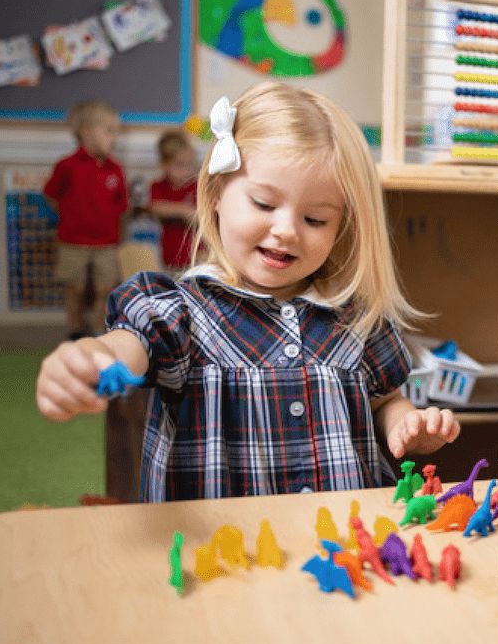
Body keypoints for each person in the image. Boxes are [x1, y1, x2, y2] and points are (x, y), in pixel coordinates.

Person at [35, 82, 460, 501]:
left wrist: (406, 424)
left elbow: (386, 400)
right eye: (263, 203)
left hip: (343, 545)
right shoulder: (181, 310)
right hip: (223, 555)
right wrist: (91, 361)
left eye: (315, 220)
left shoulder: (356, 317)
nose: (287, 231)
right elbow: (128, 346)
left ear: (342, 226)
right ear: (217, 193)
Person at [43, 100, 128, 340]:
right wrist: (72, 216)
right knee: (75, 287)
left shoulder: (115, 168)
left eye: (116, 132)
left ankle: (101, 329)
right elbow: (51, 196)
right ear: (86, 132)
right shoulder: (67, 166)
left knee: (106, 287)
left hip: (106, 243)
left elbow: (121, 205)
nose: (115, 138)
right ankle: (75, 329)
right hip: (73, 241)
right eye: (109, 131)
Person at [149, 130, 198, 272]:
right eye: (180, 165)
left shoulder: (196, 186)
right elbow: (156, 208)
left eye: (190, 165)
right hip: (171, 259)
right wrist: (184, 211)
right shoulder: (158, 186)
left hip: (198, 259)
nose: (187, 171)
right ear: (164, 165)